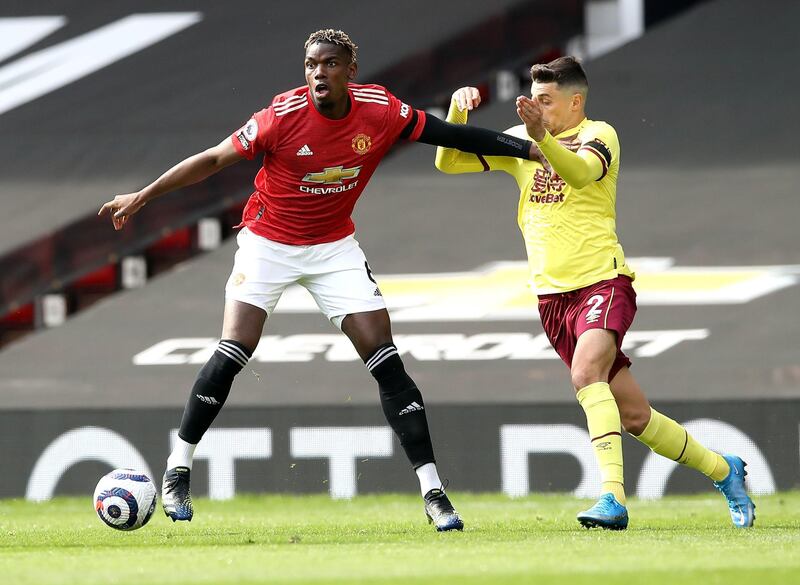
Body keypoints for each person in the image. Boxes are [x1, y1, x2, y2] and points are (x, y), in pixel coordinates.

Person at [98, 29, 543, 532]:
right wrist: (143, 195)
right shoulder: (281, 117)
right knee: (234, 347)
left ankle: (434, 493)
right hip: (268, 243)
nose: (318, 74)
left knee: (387, 361)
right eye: (311, 65)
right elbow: (214, 158)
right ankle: (178, 467)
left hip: (333, 248)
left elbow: (448, 134)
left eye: (329, 64)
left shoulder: (380, 110)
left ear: (350, 70)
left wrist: (524, 149)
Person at [434, 56, 755, 530]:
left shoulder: (599, 135)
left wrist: (539, 137)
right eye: (533, 99)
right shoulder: (524, 138)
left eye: (546, 100)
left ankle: (612, 500)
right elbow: (449, 161)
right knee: (634, 415)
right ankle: (724, 470)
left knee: (586, 374)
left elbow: (580, 174)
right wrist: (457, 114)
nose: (536, 108)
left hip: (602, 283)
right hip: (551, 299)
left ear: (575, 101)